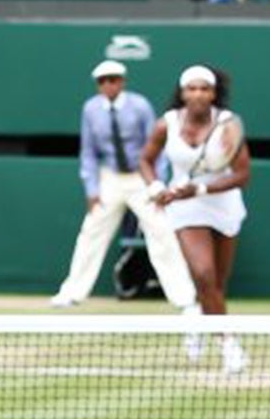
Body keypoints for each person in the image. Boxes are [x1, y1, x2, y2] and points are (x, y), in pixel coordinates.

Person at [53, 58, 196, 314]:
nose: (108, 85)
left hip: (140, 178)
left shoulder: (140, 106)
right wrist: (92, 189)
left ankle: (185, 299)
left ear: (122, 81)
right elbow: (88, 152)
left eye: (113, 80)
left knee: (162, 233)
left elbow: (156, 147)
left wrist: (156, 183)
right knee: (90, 233)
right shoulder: (90, 109)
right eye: (102, 81)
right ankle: (71, 293)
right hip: (110, 178)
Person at [140, 65, 253, 375]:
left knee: (217, 283)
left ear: (214, 93)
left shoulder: (228, 126)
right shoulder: (167, 124)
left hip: (223, 205)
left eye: (205, 88)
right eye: (192, 88)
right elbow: (145, 160)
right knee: (203, 274)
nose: (198, 94)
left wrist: (200, 187)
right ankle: (229, 344)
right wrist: (156, 186)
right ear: (182, 93)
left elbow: (243, 175)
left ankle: (197, 318)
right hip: (185, 208)